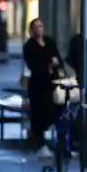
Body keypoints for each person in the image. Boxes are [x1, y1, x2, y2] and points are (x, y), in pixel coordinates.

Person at [23, 18, 62, 153]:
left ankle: (54, 141)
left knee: (53, 111)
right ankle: (38, 142)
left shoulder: (50, 42)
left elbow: (58, 59)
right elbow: (34, 64)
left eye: (41, 26)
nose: (39, 29)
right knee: (38, 114)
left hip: (52, 84)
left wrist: (51, 65)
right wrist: (49, 64)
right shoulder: (29, 45)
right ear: (32, 29)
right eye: (36, 26)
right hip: (38, 85)